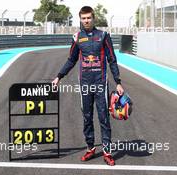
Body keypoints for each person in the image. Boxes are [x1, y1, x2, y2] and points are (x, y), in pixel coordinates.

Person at [52, 6, 124, 166]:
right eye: (83, 18)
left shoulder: (103, 36)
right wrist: (59, 76)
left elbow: (112, 59)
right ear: (80, 19)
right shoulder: (77, 37)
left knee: (104, 118)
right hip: (85, 85)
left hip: (100, 83)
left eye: (89, 18)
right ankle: (90, 148)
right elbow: (71, 60)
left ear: (93, 18)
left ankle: (107, 152)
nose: (86, 21)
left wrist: (118, 82)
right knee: (87, 117)